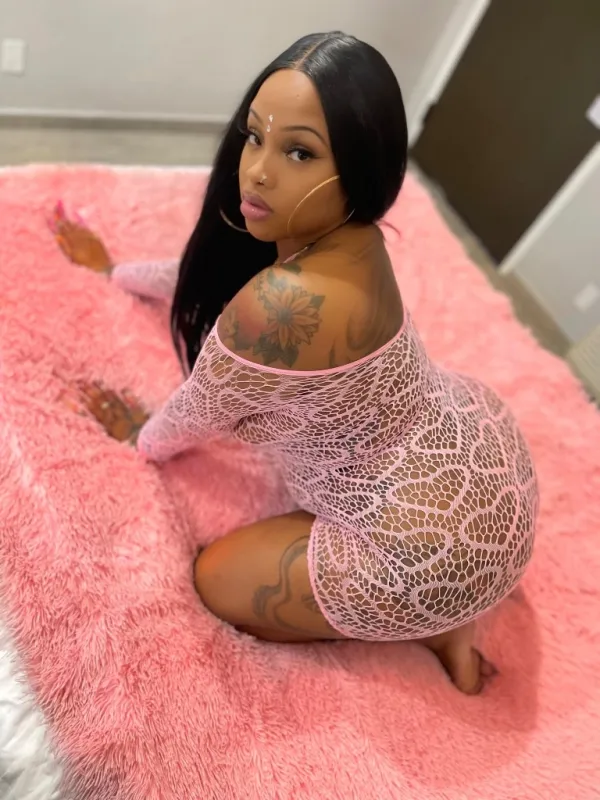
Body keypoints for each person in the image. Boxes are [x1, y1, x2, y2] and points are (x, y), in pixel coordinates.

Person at [49, 31, 538, 694]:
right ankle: (453, 611)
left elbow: (191, 414)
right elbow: (215, 277)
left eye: (299, 152)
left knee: (213, 580)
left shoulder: (283, 304)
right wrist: (116, 271)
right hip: (489, 466)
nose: (256, 169)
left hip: (424, 552)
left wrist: (139, 435)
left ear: (363, 167)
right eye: (255, 136)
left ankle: (436, 620)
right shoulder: (354, 236)